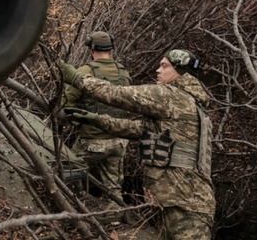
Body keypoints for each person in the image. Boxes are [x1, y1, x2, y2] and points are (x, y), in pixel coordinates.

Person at [59, 49, 215, 240]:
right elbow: (138, 129)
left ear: (181, 71)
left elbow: (117, 94)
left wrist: (78, 79)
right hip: (182, 199)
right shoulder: (189, 103)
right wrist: (96, 119)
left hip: (186, 203)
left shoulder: (170, 96)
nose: (158, 70)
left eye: (164, 66)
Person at [61, 31, 131, 206]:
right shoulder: (123, 72)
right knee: (114, 187)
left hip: (93, 142)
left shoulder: (85, 72)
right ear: (111, 50)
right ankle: (115, 217)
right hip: (119, 140)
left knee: (67, 172)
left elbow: (66, 104)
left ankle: (72, 210)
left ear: (92, 49)